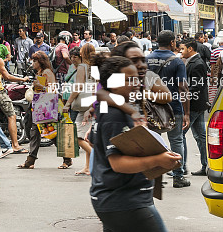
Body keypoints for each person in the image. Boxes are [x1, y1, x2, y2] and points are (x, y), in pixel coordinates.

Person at [89, 53, 179, 232]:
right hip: (124, 202)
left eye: (136, 79)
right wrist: (158, 160)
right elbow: (117, 163)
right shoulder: (115, 115)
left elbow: (96, 142)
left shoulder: (112, 109)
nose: (136, 84)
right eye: (129, 80)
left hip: (118, 200)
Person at [147, 30, 190, 188]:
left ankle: (156, 178)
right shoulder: (177, 62)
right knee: (176, 140)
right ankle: (178, 177)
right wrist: (186, 113)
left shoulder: (147, 59)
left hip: (152, 108)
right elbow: (183, 88)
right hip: (173, 107)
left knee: (154, 142)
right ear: (172, 42)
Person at [18, 51, 63, 169]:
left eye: (35, 61)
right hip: (38, 104)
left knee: (50, 133)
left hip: (46, 105)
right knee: (35, 132)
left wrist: (39, 86)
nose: (32, 63)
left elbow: (52, 90)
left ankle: (66, 159)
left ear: (41, 62)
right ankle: (30, 160)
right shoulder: (40, 72)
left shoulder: (47, 72)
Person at [63, 43, 96, 176]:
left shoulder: (82, 66)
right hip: (94, 103)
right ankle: (88, 167)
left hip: (83, 105)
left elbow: (78, 86)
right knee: (88, 137)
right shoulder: (97, 66)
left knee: (78, 136)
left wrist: (68, 103)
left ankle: (97, 158)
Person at [181, 40, 209, 177]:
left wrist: (183, 96)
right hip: (197, 105)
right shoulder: (194, 62)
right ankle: (205, 165)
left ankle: (181, 166)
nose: (181, 52)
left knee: (180, 135)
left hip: (194, 105)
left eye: (183, 49)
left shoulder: (197, 64)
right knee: (200, 136)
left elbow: (196, 86)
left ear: (190, 49)